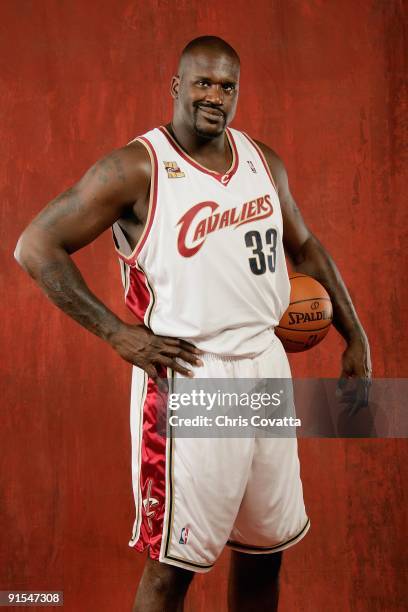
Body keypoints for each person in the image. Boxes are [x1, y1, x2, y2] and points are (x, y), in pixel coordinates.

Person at [15, 36, 371, 612]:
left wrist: (355, 334)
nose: (215, 96)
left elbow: (303, 249)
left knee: (264, 550)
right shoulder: (136, 167)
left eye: (226, 86)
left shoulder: (262, 160)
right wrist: (115, 332)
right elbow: (35, 246)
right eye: (202, 83)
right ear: (177, 86)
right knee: (171, 565)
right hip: (192, 376)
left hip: (265, 367)